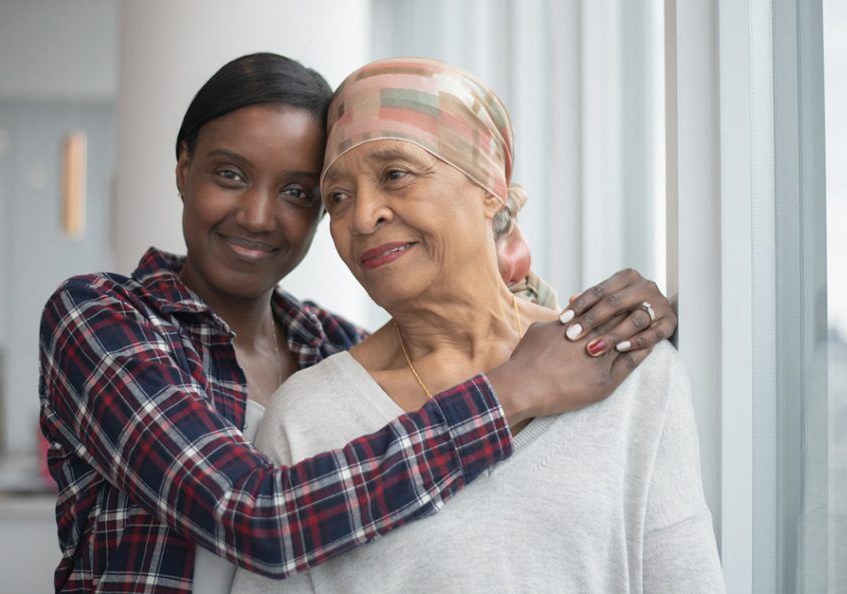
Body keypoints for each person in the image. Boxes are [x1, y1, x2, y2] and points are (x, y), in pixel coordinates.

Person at [38, 53, 677, 594]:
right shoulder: (102, 320)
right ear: (183, 169)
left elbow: (465, 330)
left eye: (299, 193)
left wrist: (614, 320)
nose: (259, 216)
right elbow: (257, 516)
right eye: (229, 175)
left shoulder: (327, 344)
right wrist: (517, 389)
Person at [230, 57, 722, 593]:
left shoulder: (628, 371)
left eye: (395, 174)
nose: (363, 216)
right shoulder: (306, 418)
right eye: (338, 198)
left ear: (490, 184)